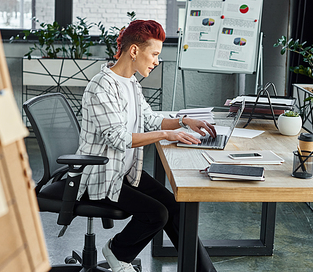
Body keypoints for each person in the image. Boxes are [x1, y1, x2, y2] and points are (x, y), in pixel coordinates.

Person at [76, 19, 217, 272]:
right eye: (154, 54)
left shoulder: (130, 83)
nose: (156, 60)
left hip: (125, 173)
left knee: (175, 206)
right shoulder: (101, 87)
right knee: (157, 214)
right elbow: (118, 138)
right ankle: (118, 252)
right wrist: (167, 134)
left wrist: (184, 122)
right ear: (134, 51)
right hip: (102, 176)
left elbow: (149, 119)